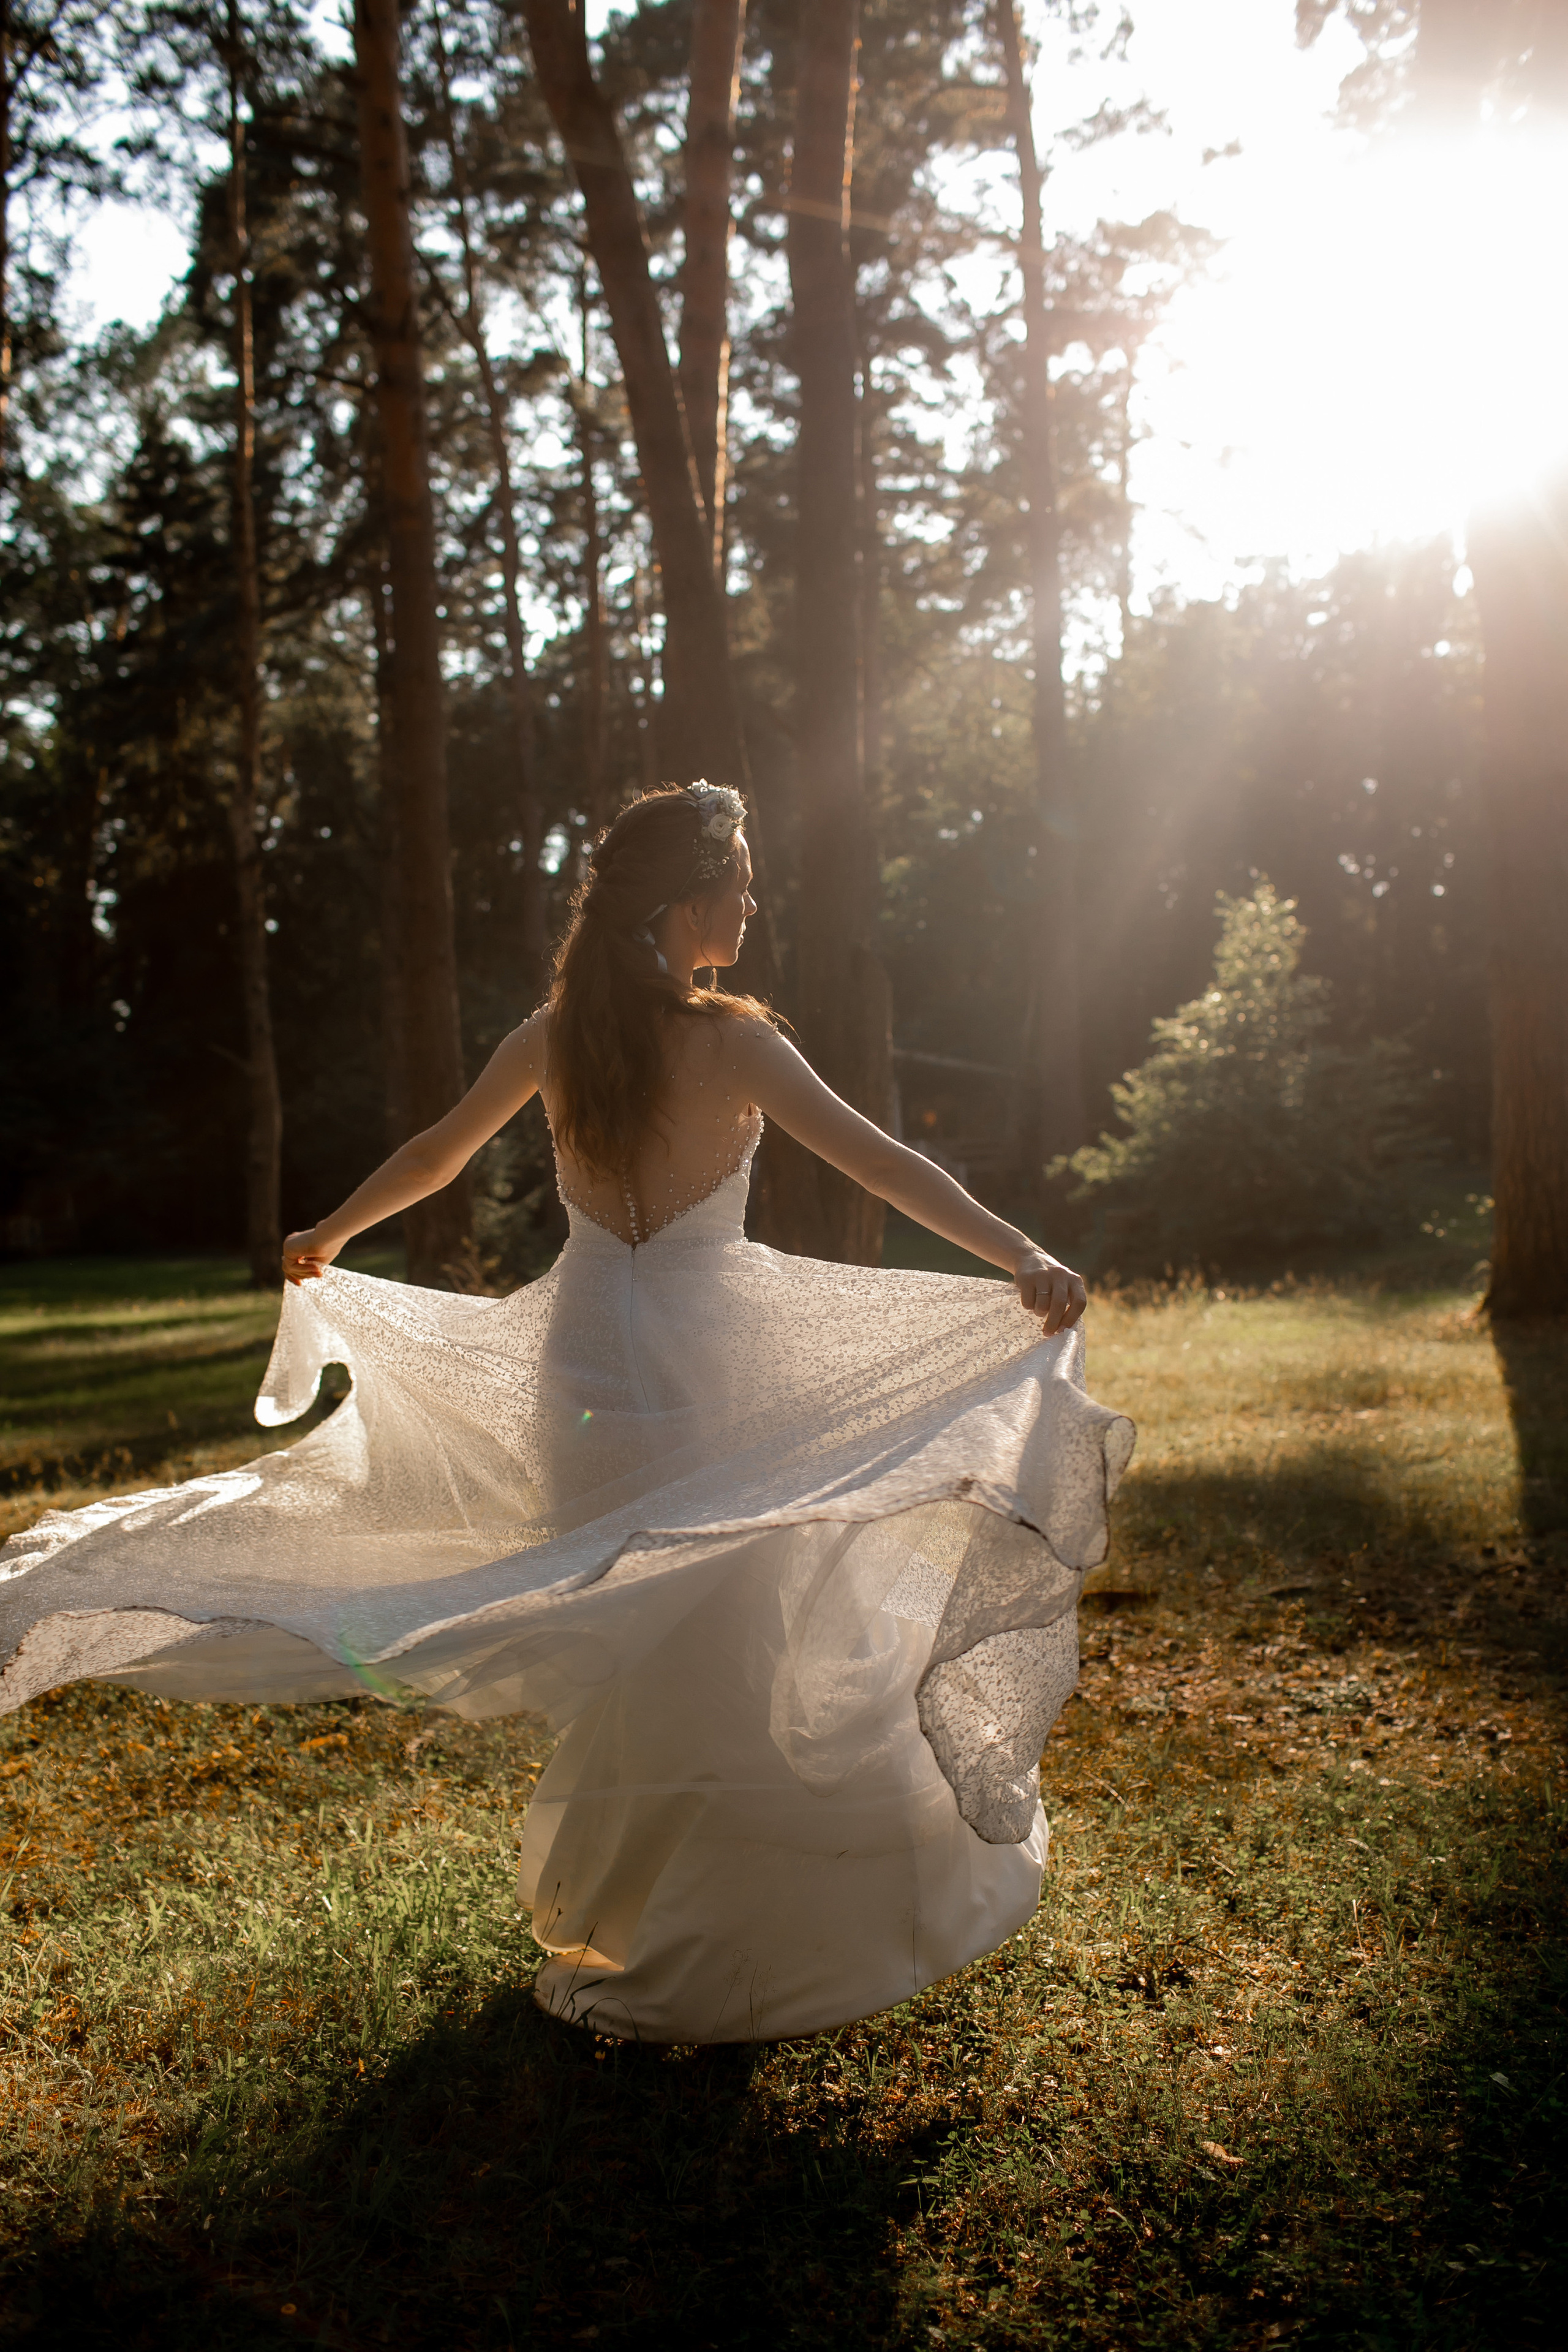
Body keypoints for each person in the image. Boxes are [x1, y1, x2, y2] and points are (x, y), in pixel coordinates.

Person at [0, 783, 1133, 2044]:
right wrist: (1014, 1250)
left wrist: (332, 1230)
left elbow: (436, 1151)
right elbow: (880, 1160)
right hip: (710, 1363)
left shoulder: (553, 1037)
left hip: (581, 1361)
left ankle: (661, 1930)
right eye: (739, 882)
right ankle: (719, 1947)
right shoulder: (736, 1041)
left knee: (650, 1643)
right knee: (728, 1635)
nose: (751, 903)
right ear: (682, 901)